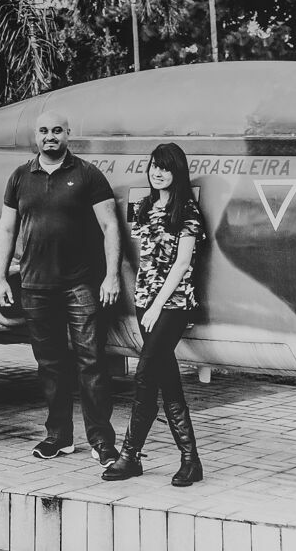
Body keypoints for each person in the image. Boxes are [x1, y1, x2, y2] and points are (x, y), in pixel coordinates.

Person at [0, 110, 122, 464]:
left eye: (57, 131)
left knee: (92, 363)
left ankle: (102, 442)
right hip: (35, 286)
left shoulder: (87, 175)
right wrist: (0, 277)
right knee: (50, 365)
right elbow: (7, 229)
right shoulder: (20, 177)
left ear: (68, 133)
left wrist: (111, 275)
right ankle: (59, 437)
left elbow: (111, 226)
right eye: (44, 131)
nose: (50, 136)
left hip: (80, 284)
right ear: (36, 135)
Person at [104, 141, 206, 486]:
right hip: (145, 300)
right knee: (167, 378)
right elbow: (146, 257)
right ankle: (190, 461)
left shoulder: (188, 211)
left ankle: (130, 456)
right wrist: (144, 301)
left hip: (174, 304)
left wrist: (159, 304)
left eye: (165, 167)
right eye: (153, 167)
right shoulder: (145, 206)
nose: (158, 173)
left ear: (177, 171)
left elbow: (181, 264)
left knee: (146, 375)